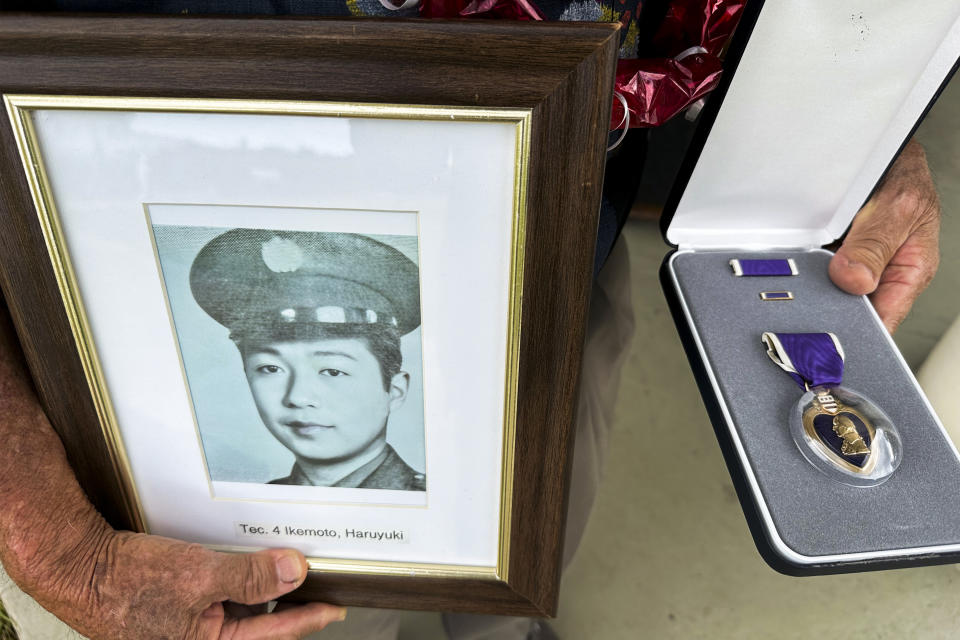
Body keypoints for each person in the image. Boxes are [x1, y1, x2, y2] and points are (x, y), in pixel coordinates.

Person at [188, 229, 426, 490]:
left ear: (394, 390)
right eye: (271, 368)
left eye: (332, 371)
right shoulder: (254, 502)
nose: (298, 397)